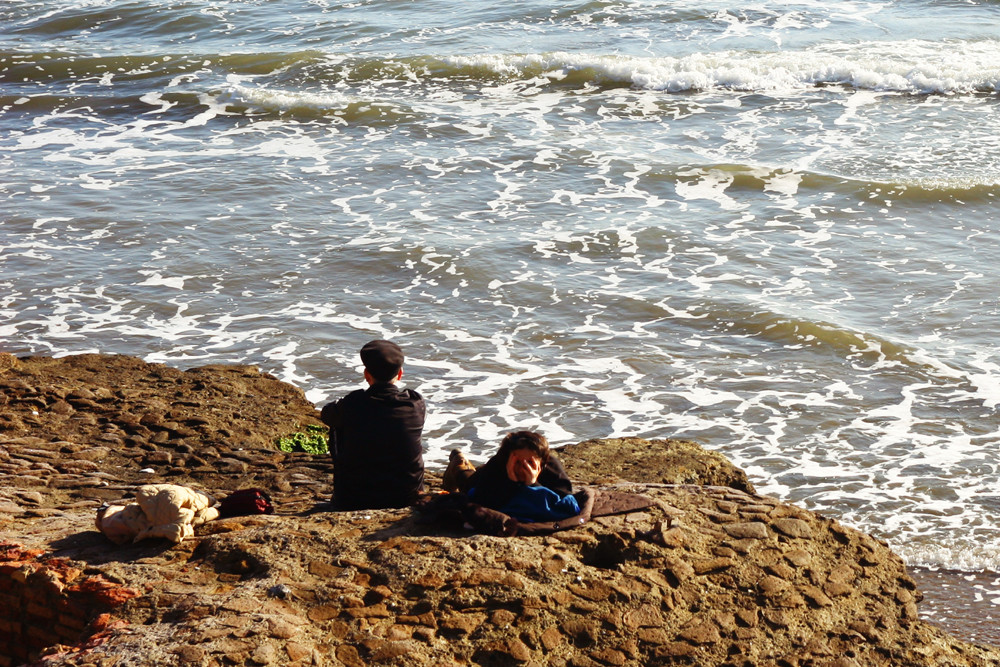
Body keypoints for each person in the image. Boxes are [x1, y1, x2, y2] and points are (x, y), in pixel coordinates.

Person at [320, 340, 425, 510]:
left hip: (354, 500)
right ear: (400, 374)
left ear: (366, 374)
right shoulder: (415, 402)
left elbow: (326, 414)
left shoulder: (352, 404)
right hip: (406, 497)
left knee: (339, 424)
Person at [454, 431, 580, 523]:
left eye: (530, 463)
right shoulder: (498, 464)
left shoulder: (551, 467)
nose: (522, 468)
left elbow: (567, 506)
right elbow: (481, 501)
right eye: (518, 462)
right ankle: (459, 465)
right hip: (479, 478)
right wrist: (511, 482)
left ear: (541, 462)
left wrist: (533, 484)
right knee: (466, 481)